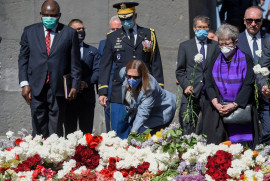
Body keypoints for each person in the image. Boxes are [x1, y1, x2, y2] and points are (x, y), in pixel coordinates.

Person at [98, 2, 164, 139]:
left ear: (135, 16)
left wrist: (159, 89)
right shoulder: (112, 37)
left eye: (128, 18)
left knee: (143, 132)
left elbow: (156, 63)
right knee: (119, 130)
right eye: (122, 19)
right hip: (120, 91)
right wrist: (103, 91)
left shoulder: (148, 34)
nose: (125, 22)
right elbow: (105, 65)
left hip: (144, 90)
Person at [18, 0, 81, 137]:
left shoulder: (69, 33)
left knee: (57, 125)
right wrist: (24, 83)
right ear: (41, 14)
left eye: (53, 16)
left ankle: (54, 156)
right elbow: (23, 59)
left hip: (58, 88)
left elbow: (75, 63)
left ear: (59, 15)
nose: (49, 18)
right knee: (38, 125)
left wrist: (75, 85)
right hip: (36, 87)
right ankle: (38, 156)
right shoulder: (29, 31)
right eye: (46, 15)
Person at [198, 24, 259, 147]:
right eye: (221, 44)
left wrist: (234, 105)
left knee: (241, 149)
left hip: (239, 109)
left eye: (227, 44)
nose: (224, 47)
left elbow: (248, 84)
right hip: (217, 110)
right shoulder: (214, 58)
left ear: (235, 42)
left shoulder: (246, 59)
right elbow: (208, 82)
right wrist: (216, 103)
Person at [176, 15, 219, 135]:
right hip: (191, 94)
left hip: (210, 95)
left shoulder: (215, 46)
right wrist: (185, 86)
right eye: (199, 27)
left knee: (209, 129)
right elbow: (180, 71)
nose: (202, 30)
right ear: (194, 28)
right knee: (188, 128)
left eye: (205, 27)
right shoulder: (185, 46)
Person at [238, 6, 270, 144]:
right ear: (244, 21)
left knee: (267, 132)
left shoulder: (268, 39)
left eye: (257, 20)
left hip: (266, 95)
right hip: (244, 96)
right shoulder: (236, 41)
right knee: (246, 136)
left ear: (262, 21)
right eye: (250, 20)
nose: (253, 23)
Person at [120, 60, 176, 134]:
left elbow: (143, 113)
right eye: (129, 76)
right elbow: (121, 72)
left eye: (135, 77)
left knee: (147, 138)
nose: (131, 80)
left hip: (161, 111)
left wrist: (133, 133)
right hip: (140, 110)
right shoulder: (124, 73)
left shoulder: (149, 88)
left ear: (142, 75)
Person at [64, 19, 99, 135]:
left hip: (86, 99)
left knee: (87, 133)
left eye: (82, 29)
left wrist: (87, 83)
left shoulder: (92, 51)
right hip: (69, 99)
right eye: (78, 29)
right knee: (69, 133)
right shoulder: (63, 50)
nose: (81, 31)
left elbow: (97, 71)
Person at [97, 15, 122, 133]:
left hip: (127, 85)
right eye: (113, 29)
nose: (115, 32)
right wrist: (103, 90)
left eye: (118, 29)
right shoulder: (103, 44)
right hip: (110, 87)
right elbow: (102, 67)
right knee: (110, 117)